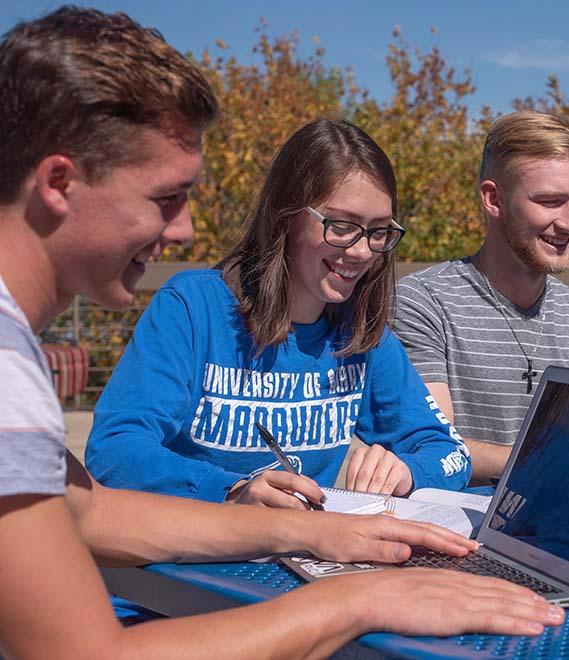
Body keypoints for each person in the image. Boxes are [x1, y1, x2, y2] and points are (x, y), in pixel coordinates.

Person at [0, 7, 564, 657]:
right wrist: (355, 597)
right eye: (165, 199)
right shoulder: (29, 362)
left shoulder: (18, 354)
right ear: (58, 183)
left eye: (378, 232)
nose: (183, 230)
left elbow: (91, 510)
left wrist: (314, 536)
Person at [85, 118, 472, 508]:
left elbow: (451, 454)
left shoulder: (362, 334)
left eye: (379, 230)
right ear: (286, 217)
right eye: (341, 226)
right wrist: (232, 492)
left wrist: (408, 472)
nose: (362, 251)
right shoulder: (192, 307)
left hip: (301, 551)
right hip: (195, 551)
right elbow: (114, 452)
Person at [392, 111, 569, 484]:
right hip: (462, 530)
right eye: (550, 201)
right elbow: (432, 446)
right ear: (494, 199)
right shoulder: (423, 303)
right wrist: (548, 464)